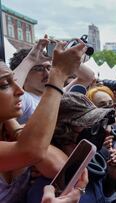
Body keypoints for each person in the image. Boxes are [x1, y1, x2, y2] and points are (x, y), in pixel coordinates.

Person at [0, 39, 87, 202]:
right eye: (5, 85)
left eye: (14, 81)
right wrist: (58, 74)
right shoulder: (27, 145)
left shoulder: (12, 133)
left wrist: (32, 57)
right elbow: (31, 151)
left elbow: (61, 169)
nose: (20, 90)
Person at [27, 92, 116, 203]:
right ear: (63, 131)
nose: (106, 131)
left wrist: (112, 177)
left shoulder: (88, 164)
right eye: (91, 124)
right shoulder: (49, 191)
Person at [9, 37, 95, 124]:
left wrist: (63, 56)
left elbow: (88, 77)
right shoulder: (25, 99)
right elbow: (9, 93)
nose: (47, 73)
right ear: (25, 73)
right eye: (39, 68)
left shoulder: (59, 93)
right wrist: (30, 59)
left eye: (48, 67)